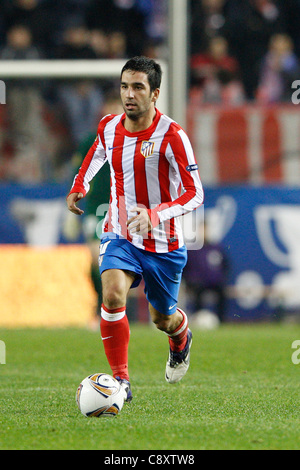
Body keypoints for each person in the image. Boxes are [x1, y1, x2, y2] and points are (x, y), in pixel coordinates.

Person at [66, 56, 204, 402]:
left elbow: (195, 192)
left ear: (154, 94)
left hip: (163, 241)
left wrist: (157, 214)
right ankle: (121, 382)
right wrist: (79, 184)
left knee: (162, 318)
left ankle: (180, 336)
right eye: (125, 86)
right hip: (120, 232)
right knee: (111, 293)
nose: (129, 94)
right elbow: (98, 153)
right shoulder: (109, 126)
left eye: (138, 87)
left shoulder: (172, 136)